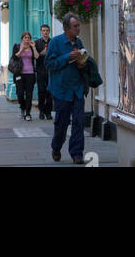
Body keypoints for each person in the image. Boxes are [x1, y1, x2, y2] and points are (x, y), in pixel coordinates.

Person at [45, 12, 102, 165]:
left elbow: (82, 63)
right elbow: (49, 64)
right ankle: (56, 147)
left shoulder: (79, 43)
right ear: (66, 28)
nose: (78, 29)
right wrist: (67, 57)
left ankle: (77, 153)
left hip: (77, 89)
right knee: (61, 124)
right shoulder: (55, 43)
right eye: (75, 26)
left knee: (78, 122)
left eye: (78, 26)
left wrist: (82, 64)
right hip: (61, 90)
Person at [10, 31, 38, 120]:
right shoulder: (17, 46)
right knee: (20, 93)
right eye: (25, 38)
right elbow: (15, 57)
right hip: (20, 73)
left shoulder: (32, 47)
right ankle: (22, 107)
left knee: (29, 94)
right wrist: (22, 49)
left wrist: (33, 47)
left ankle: (28, 113)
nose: (27, 40)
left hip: (30, 73)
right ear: (22, 39)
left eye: (28, 38)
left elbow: (37, 57)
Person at [35, 22, 53, 120]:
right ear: (41, 32)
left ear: (49, 31)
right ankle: (41, 111)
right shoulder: (37, 42)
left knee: (50, 92)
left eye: (47, 31)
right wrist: (42, 53)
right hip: (41, 71)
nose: (45, 32)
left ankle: (48, 112)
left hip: (50, 71)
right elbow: (35, 56)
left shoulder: (52, 42)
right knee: (41, 92)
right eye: (43, 31)